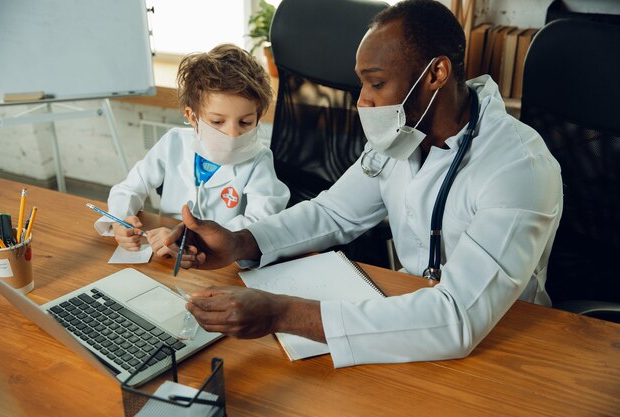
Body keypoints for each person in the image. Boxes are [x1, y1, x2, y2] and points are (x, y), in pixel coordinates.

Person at [166, 0, 563, 368]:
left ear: (435, 75)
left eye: (376, 83)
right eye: (362, 85)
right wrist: (239, 241)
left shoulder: (517, 169)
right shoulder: (405, 135)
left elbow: (457, 317)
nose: (363, 102)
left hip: (503, 341)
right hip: (408, 309)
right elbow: (333, 211)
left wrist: (282, 313)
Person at [94, 44, 289, 257]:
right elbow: (130, 188)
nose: (232, 133)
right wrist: (120, 222)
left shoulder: (259, 159)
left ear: (258, 118)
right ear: (192, 116)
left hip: (223, 259)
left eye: (245, 122)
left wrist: (194, 238)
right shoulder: (174, 142)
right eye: (217, 121)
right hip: (166, 252)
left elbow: (261, 222)